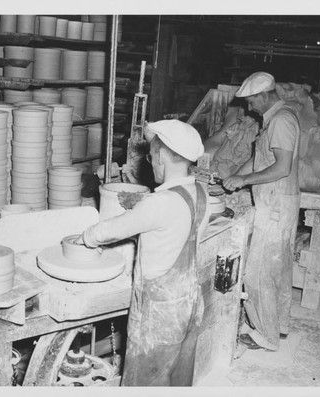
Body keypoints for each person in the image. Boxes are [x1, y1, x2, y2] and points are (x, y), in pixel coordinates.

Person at [75, 120, 209, 386]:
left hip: (160, 311)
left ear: (160, 156)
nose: (150, 162)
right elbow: (177, 235)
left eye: (151, 156)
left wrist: (84, 238)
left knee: (145, 379)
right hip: (189, 301)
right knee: (178, 378)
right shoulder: (200, 192)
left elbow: (110, 230)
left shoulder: (160, 203)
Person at [223, 72, 301, 351]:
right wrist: (233, 177)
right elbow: (259, 160)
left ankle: (266, 336)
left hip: (275, 205)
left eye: (251, 101)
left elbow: (281, 168)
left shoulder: (281, 120)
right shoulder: (277, 119)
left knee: (257, 273)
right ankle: (278, 327)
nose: (248, 108)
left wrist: (243, 181)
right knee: (277, 270)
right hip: (277, 202)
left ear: (264, 96)